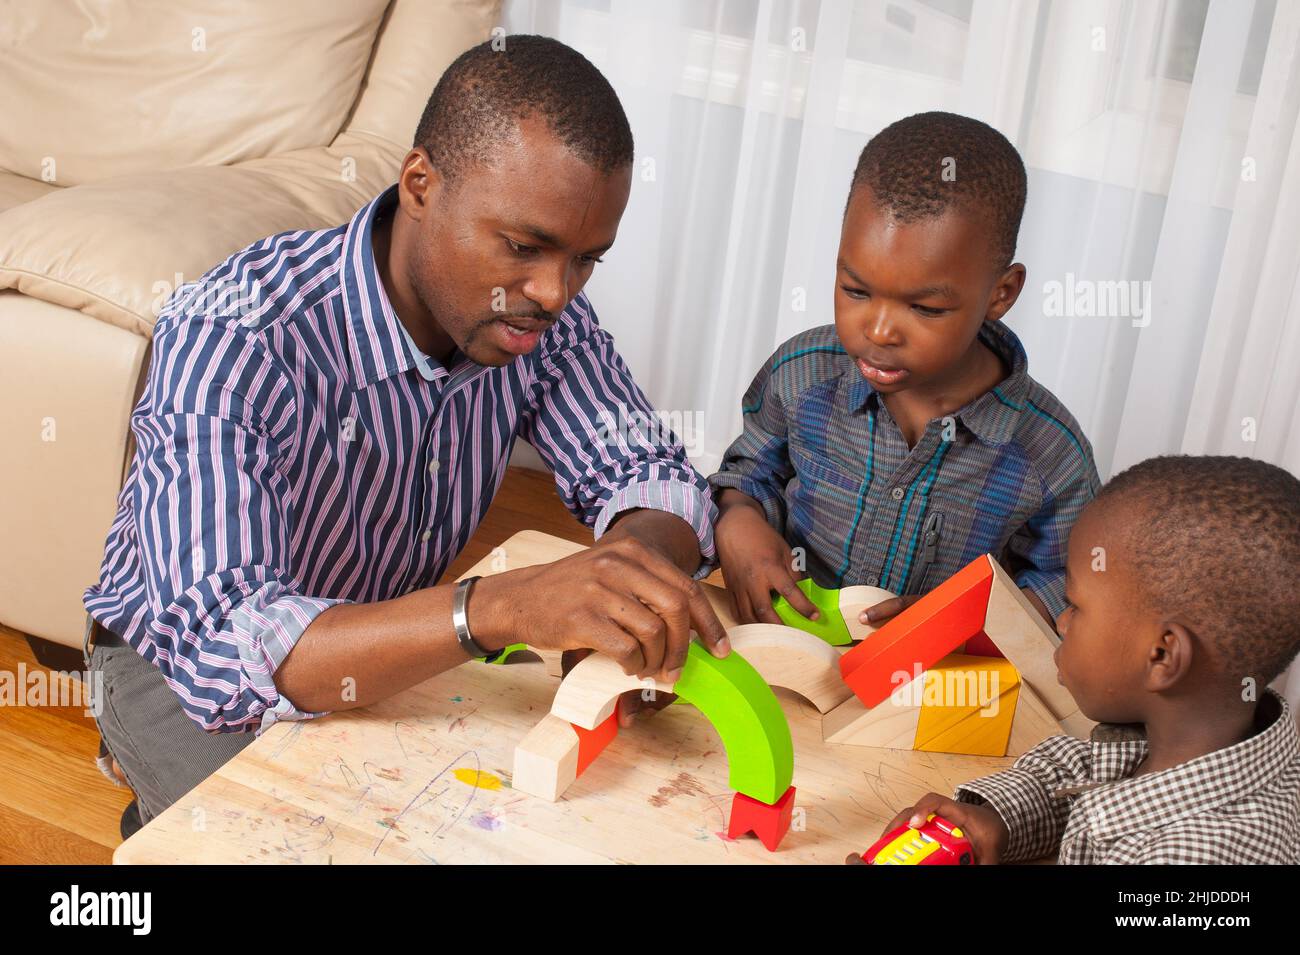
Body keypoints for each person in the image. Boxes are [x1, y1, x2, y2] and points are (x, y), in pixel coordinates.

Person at [83, 35, 728, 835]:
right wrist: (499, 608)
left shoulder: (531, 316)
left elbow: (649, 473)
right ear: (420, 184)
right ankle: (162, 813)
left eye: (586, 259)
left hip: (380, 634)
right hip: (174, 673)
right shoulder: (234, 333)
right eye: (524, 247)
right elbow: (229, 648)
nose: (555, 291)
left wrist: (632, 581)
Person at [709, 111, 1098, 631]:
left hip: (936, 688)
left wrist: (966, 620)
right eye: (856, 291)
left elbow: (1060, 584)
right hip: (787, 647)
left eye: (926, 309)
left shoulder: (1051, 455)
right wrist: (738, 519)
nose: (880, 331)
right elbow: (751, 472)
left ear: (1000, 294)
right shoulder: (800, 376)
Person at [866, 455, 1300, 864]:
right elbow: (1078, 772)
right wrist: (997, 819)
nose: (1061, 621)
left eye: (1075, 605)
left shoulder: (1199, 855)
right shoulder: (1190, 737)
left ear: (1162, 655)